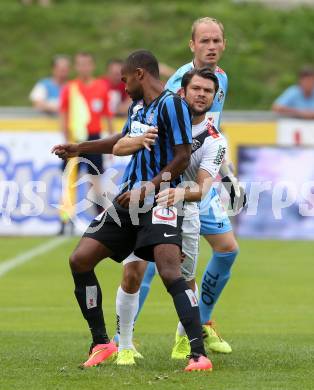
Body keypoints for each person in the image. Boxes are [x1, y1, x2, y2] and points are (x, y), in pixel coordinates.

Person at [52, 50, 212, 372]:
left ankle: (198, 354)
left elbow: (181, 158)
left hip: (161, 197)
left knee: (170, 272)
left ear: (140, 74)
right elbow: (121, 140)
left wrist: (150, 186)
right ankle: (101, 342)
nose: (123, 87)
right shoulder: (138, 107)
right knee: (80, 259)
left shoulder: (173, 104)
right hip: (128, 198)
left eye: (124, 80)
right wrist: (78, 148)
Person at [121, 17, 242, 356]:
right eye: (205, 41)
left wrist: (226, 173)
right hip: (167, 179)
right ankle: (123, 340)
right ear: (192, 45)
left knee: (227, 249)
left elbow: (212, 130)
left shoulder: (220, 79)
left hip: (197, 181)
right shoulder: (176, 85)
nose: (212, 46)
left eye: (217, 40)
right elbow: (159, 133)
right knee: (149, 260)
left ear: (224, 44)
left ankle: (198, 324)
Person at [113, 67, 228, 365]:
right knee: (133, 273)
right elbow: (120, 143)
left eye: (208, 91)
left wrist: (180, 193)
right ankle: (124, 345)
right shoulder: (160, 117)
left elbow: (202, 189)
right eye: (196, 89)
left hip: (184, 209)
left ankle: (184, 340)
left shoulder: (215, 140)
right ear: (183, 92)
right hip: (146, 204)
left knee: (185, 279)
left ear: (215, 98)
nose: (201, 95)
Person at [59, 52, 114, 232]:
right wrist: (65, 137)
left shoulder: (101, 87)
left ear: (92, 66)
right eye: (80, 64)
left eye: (86, 64)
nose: (84, 68)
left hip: (95, 139)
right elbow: (64, 113)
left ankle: (100, 217)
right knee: (69, 179)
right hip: (74, 140)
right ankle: (66, 220)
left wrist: (112, 142)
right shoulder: (71, 87)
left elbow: (108, 115)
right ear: (77, 67)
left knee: (96, 179)